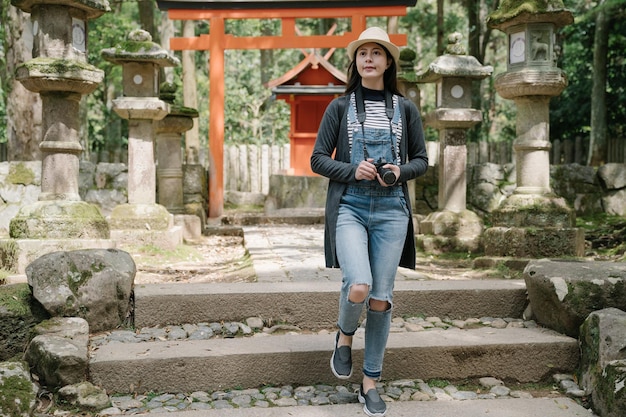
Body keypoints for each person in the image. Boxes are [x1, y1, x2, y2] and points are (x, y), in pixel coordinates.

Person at [310, 26, 428, 417]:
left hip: (392, 209)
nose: (369, 59)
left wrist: (400, 171)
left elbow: (422, 161)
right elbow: (318, 159)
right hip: (352, 207)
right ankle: (344, 336)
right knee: (359, 285)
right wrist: (351, 169)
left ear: (388, 62)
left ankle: (370, 382)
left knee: (381, 298)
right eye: (363, 53)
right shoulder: (340, 107)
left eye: (377, 53)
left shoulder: (405, 108)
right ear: (355, 61)